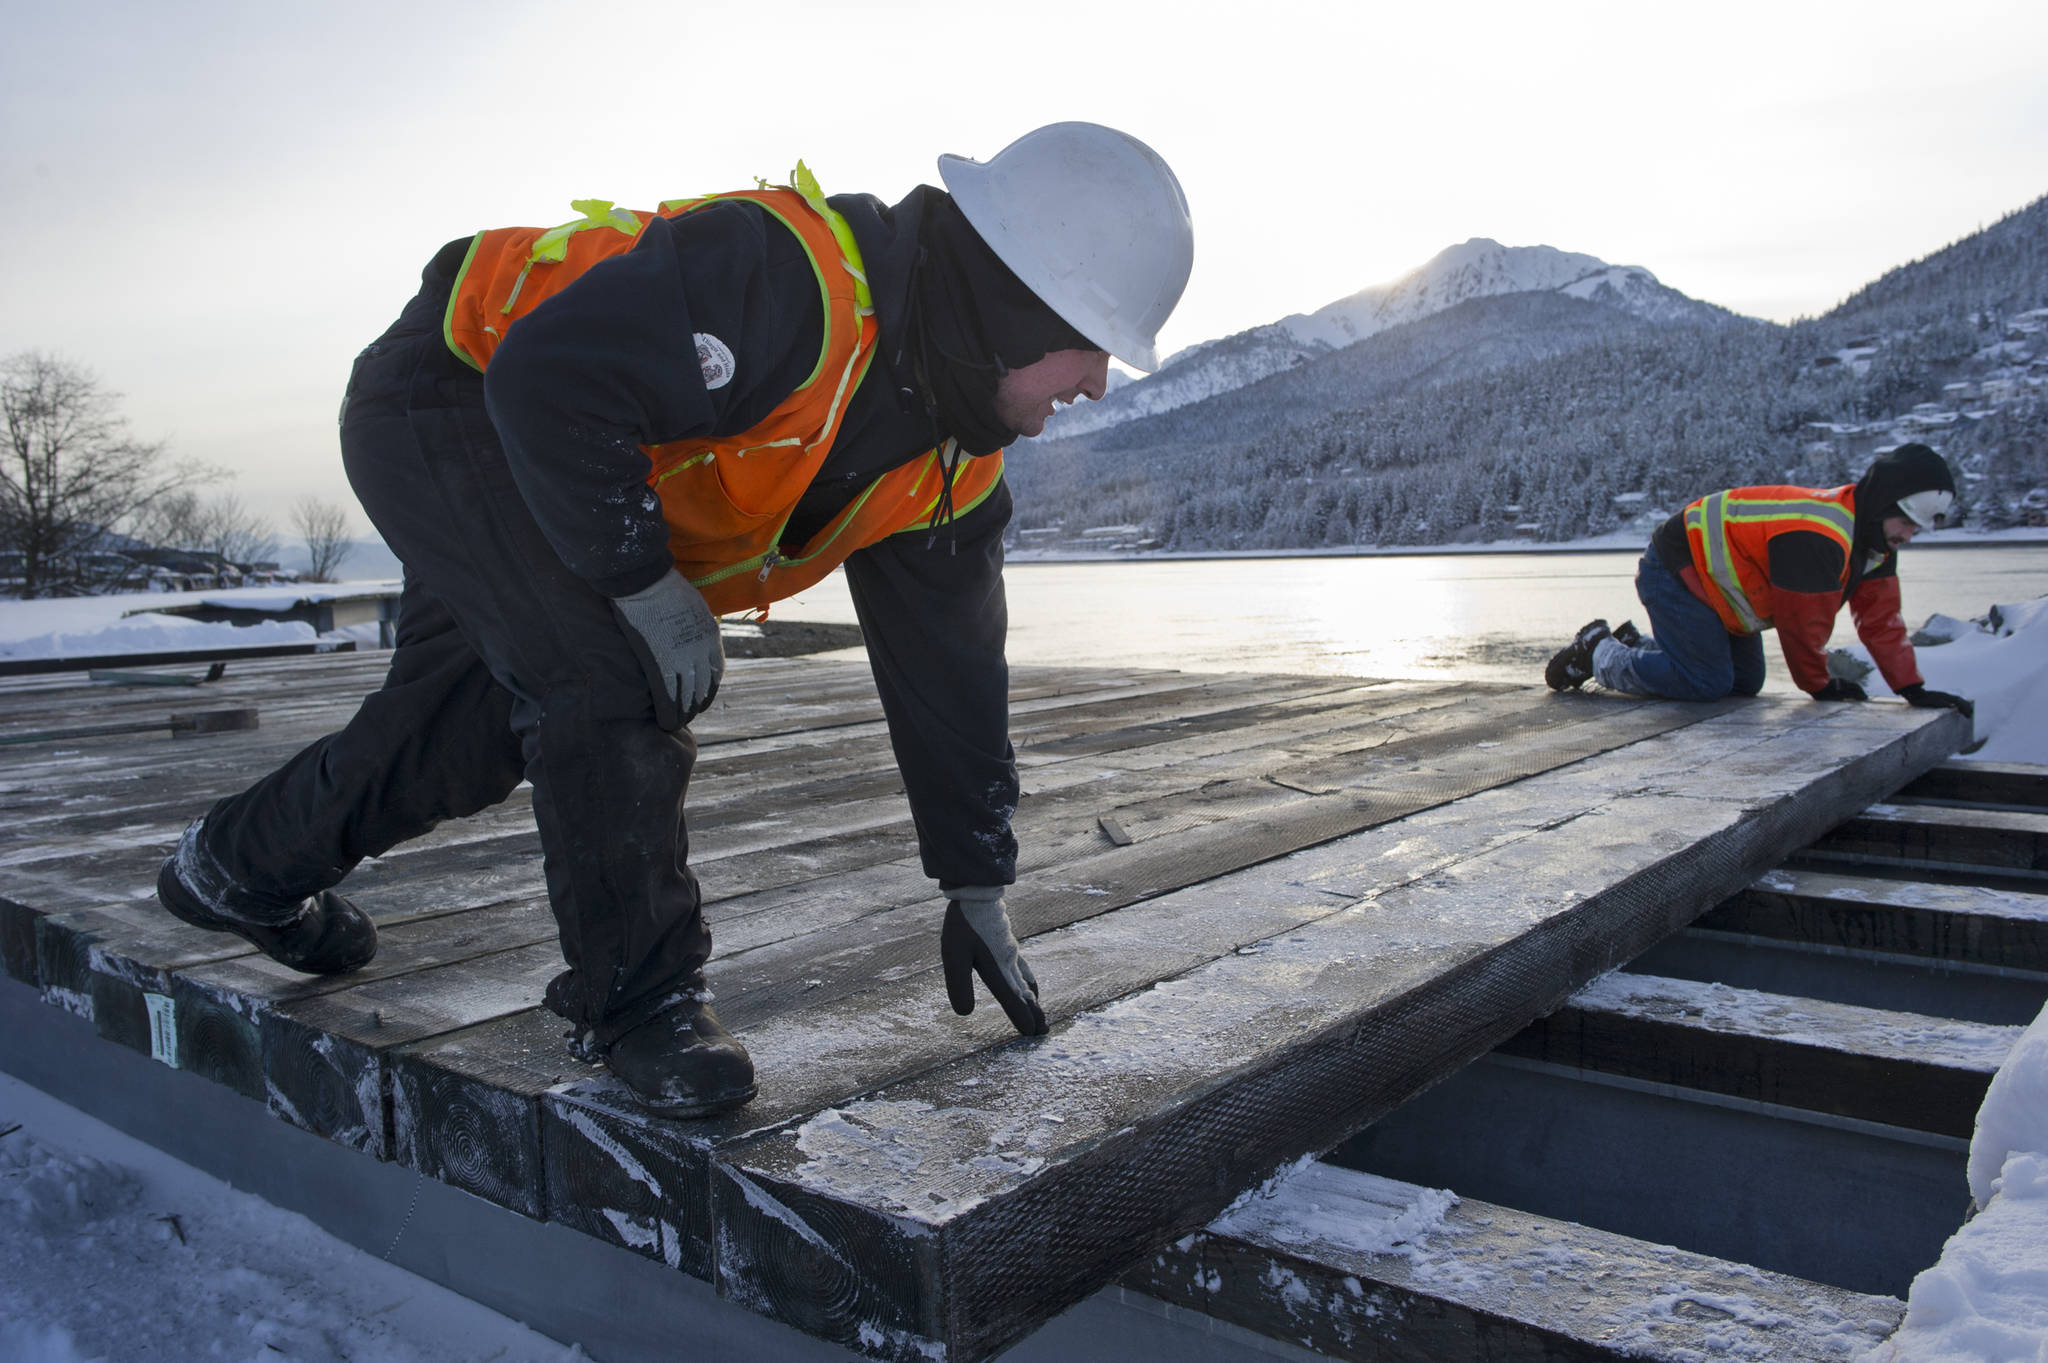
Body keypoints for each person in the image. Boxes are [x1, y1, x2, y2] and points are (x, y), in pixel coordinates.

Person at [152, 123, 1195, 1118]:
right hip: (458, 388)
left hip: (559, 447)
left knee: (460, 733)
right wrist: (641, 583)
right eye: (1087, 347)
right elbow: (548, 378)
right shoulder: (785, 282)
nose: (1098, 384)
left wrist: (975, 877)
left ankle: (235, 867)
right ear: (1016, 308)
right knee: (603, 675)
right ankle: (640, 1001)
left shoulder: (952, 463)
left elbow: (952, 678)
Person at [1544, 443, 1975, 719]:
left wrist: (1912, 688)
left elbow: (1882, 621)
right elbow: (1801, 626)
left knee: (1742, 685)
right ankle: (1598, 651)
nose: (1907, 537)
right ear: (1883, 506)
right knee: (1705, 683)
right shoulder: (1821, 536)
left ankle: (1634, 646)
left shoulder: (1873, 543)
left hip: (1720, 592)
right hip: (1678, 568)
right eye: (1905, 523)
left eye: (1915, 530)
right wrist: (1821, 686)